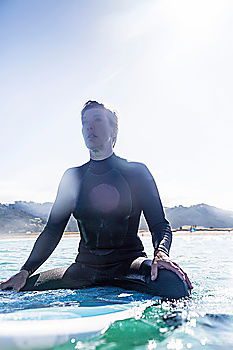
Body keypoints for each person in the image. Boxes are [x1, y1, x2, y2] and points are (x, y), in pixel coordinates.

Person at [0, 101, 193, 299]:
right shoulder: (73, 177)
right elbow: (52, 230)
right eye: (85, 122)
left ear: (114, 130)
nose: (89, 126)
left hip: (129, 264)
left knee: (175, 284)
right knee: (10, 289)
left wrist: (161, 254)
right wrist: (25, 271)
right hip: (84, 269)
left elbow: (160, 224)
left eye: (98, 120)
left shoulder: (136, 172)